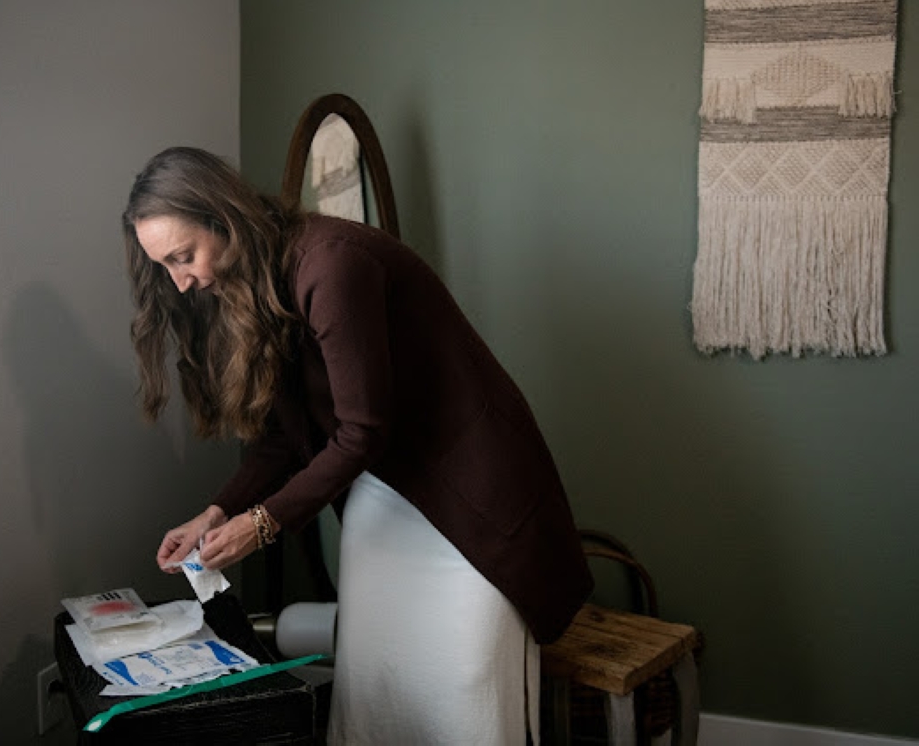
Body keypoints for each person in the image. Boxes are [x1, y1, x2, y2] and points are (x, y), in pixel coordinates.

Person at [122, 146, 592, 745]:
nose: (180, 281)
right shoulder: (251, 283)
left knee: (463, 686)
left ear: (224, 218)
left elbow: (362, 430)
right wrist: (217, 512)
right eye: (165, 266)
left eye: (183, 257)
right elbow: (285, 436)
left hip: (471, 486)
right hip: (385, 484)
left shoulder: (332, 263)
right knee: (380, 685)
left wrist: (261, 523)